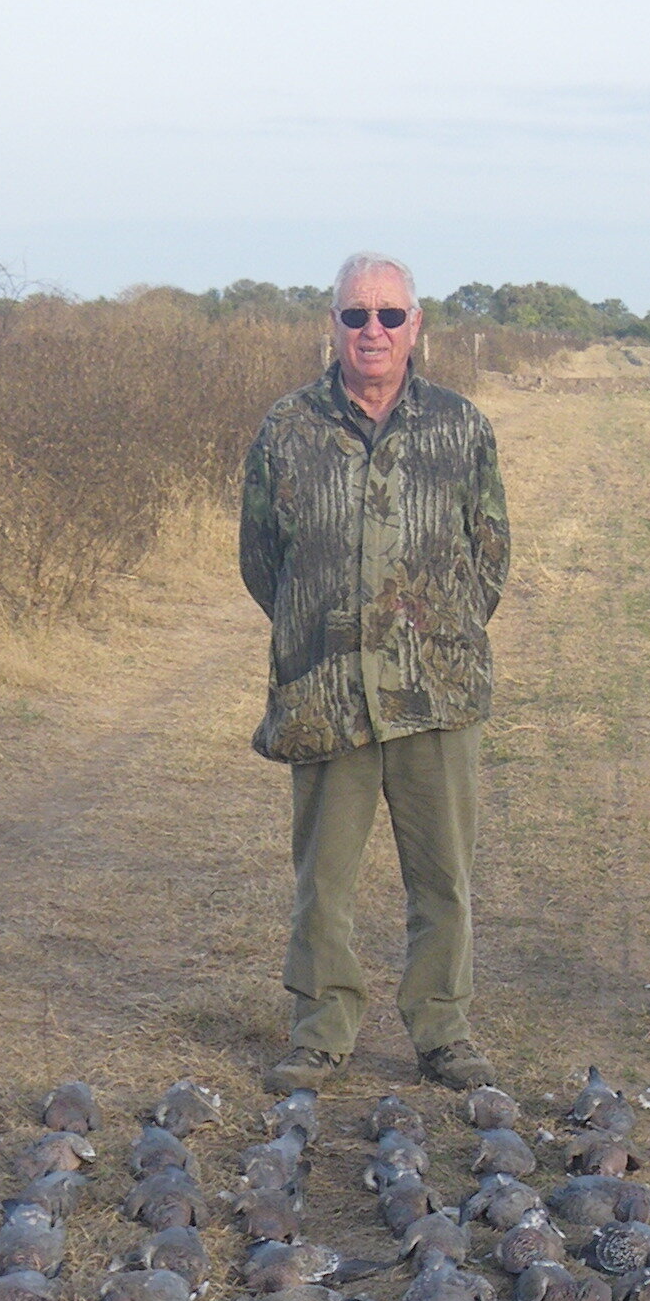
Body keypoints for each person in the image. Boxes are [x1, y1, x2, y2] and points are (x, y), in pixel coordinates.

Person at [239, 252, 512, 1095]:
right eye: (356, 315)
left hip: (438, 694)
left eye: (390, 315)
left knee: (444, 878)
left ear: (416, 326)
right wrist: (322, 631)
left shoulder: (460, 427)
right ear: (332, 325)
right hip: (324, 691)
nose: (373, 331)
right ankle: (320, 1031)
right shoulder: (285, 430)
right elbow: (262, 562)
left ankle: (442, 1031)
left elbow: (490, 552)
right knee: (322, 882)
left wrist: (435, 635)